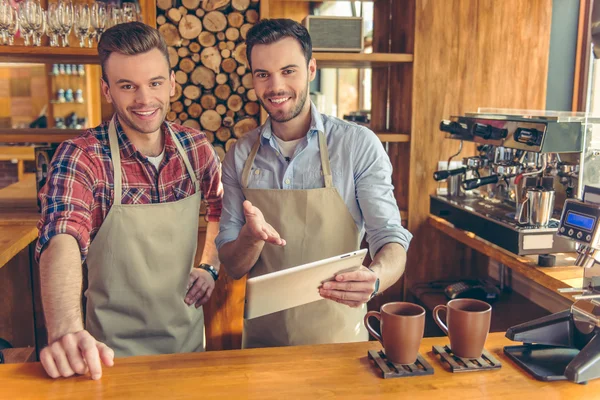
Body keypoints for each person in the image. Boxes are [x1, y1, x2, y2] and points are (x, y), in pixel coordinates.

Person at [36, 22, 223, 380]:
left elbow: (220, 208)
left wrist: (210, 265)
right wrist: (66, 331)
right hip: (106, 356)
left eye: (154, 83)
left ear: (172, 83)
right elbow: (61, 236)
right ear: (107, 90)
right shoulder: (81, 156)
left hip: (186, 349)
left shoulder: (196, 149)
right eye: (127, 86)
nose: (144, 99)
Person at [216, 18, 413, 349]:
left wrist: (375, 277)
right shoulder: (239, 156)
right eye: (263, 74)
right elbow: (234, 266)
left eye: (288, 70)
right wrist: (250, 238)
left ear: (311, 69)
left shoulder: (357, 145)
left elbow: (390, 237)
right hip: (262, 347)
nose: (275, 86)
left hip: (339, 344)